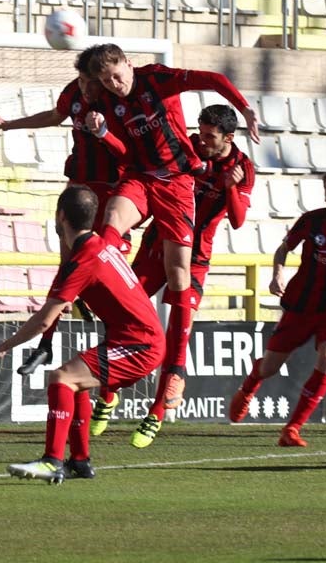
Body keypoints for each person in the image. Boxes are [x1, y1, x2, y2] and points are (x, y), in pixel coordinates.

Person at [81, 45, 258, 391]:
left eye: (117, 75)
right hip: (142, 178)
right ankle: (97, 281)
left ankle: (175, 369)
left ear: (129, 65)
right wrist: (102, 134)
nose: (115, 84)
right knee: (111, 222)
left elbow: (215, 79)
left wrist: (245, 108)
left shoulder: (156, 79)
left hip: (176, 184)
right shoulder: (109, 104)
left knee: (179, 276)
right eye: (107, 80)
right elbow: (126, 152)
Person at [0, 186, 164, 484]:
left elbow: (45, 320)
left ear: (60, 217)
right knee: (74, 382)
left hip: (139, 344)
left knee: (61, 378)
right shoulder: (101, 244)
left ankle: (51, 461)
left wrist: (2, 347)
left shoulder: (84, 259)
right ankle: (79, 462)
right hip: (139, 339)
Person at [102, 104, 255, 447]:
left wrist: (231, 187)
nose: (202, 140)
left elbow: (239, 219)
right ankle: (109, 392)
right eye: (200, 132)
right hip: (158, 242)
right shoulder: (186, 146)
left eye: (210, 136)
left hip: (196, 253)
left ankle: (157, 409)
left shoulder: (243, 167)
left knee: (177, 325)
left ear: (228, 138)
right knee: (121, 311)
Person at [0, 48, 123, 389]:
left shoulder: (114, 100)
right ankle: (45, 346)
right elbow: (55, 115)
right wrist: (10, 125)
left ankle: (110, 344)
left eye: (93, 83)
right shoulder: (75, 93)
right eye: (84, 81)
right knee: (67, 268)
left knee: (102, 268)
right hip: (78, 186)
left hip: (109, 191)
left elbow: (126, 149)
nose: (88, 89)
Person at [229, 167, 326, 447]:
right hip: (301, 306)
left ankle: (293, 428)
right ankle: (250, 386)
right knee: (270, 367)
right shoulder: (311, 222)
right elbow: (283, 249)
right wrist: (277, 273)